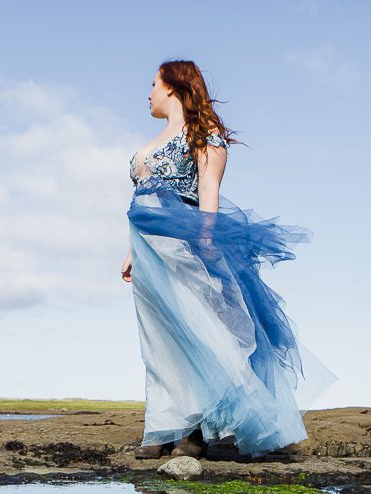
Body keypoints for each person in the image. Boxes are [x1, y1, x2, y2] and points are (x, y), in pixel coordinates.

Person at [121, 60, 334, 460]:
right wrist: (131, 251)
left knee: (200, 329)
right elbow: (138, 202)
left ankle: (204, 426)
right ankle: (164, 425)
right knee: (158, 339)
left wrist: (205, 241)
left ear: (172, 86)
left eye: (152, 83)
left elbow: (208, 193)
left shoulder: (204, 135)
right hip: (147, 249)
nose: (147, 92)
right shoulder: (153, 139)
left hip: (181, 245)